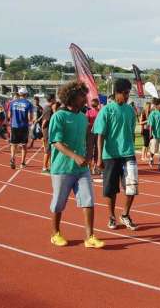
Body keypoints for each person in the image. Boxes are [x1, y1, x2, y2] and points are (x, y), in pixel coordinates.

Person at [48, 81, 104, 249]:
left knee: (89, 200)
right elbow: (55, 142)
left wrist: (88, 155)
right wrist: (74, 156)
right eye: (82, 96)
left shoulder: (82, 116)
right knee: (59, 202)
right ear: (71, 97)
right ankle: (55, 233)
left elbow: (88, 135)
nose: (85, 99)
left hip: (81, 169)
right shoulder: (59, 116)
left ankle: (90, 237)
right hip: (62, 168)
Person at [93, 78, 138, 231]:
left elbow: (131, 132)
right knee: (111, 189)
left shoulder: (130, 110)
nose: (127, 96)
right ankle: (111, 216)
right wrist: (99, 157)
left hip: (128, 153)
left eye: (128, 93)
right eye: (125, 93)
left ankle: (125, 214)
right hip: (110, 155)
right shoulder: (106, 110)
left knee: (132, 187)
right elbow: (100, 135)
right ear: (117, 92)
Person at [8, 88, 33, 169]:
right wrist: (32, 120)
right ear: (26, 94)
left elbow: (9, 115)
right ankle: (22, 163)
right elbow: (30, 117)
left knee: (13, 144)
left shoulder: (12, 103)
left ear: (19, 94)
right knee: (24, 145)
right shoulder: (28, 104)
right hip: (24, 127)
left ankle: (12, 158)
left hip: (14, 126)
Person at [147, 98, 160, 170]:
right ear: (157, 105)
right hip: (155, 135)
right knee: (153, 149)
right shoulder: (153, 114)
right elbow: (151, 125)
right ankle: (151, 158)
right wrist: (150, 134)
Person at [40, 94, 56, 173]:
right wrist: (43, 131)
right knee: (48, 150)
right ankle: (44, 167)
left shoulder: (46, 107)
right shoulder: (49, 109)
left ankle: (49, 165)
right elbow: (45, 121)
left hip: (48, 131)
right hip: (48, 131)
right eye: (55, 98)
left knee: (50, 149)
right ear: (52, 99)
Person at [86, 97, 101, 175]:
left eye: (95, 105)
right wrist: (92, 124)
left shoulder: (101, 112)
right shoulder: (88, 112)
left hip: (98, 133)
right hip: (90, 133)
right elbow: (86, 122)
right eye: (93, 105)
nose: (94, 107)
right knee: (90, 150)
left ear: (98, 104)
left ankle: (96, 167)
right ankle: (89, 167)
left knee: (98, 150)